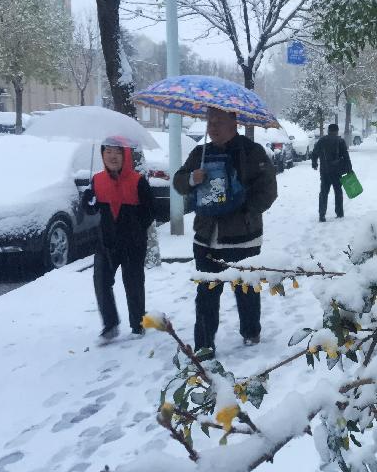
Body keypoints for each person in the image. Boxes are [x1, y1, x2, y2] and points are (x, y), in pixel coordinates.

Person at [173, 107, 278, 357]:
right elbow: (178, 182)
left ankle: (251, 332)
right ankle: (204, 346)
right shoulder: (200, 153)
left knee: (246, 290)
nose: (213, 126)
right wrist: (191, 179)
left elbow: (268, 191)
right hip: (206, 239)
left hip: (243, 239)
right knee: (206, 294)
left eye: (219, 120)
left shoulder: (252, 152)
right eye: (210, 120)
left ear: (235, 122)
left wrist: (243, 210)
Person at [82, 136, 155, 343]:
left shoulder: (137, 181)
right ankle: (110, 324)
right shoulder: (97, 180)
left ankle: (138, 323)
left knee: (133, 283)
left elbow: (150, 211)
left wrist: (135, 227)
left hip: (133, 243)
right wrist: (88, 200)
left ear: (126, 155)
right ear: (102, 154)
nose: (112, 156)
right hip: (106, 243)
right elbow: (91, 208)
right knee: (101, 281)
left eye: (117, 152)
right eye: (108, 152)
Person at [311, 123, 352, 222]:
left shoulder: (321, 141)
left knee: (324, 193)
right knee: (338, 191)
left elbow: (314, 153)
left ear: (328, 131)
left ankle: (322, 215)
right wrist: (349, 169)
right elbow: (346, 156)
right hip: (337, 172)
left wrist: (314, 163)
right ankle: (339, 213)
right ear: (337, 131)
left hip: (325, 171)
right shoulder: (340, 141)